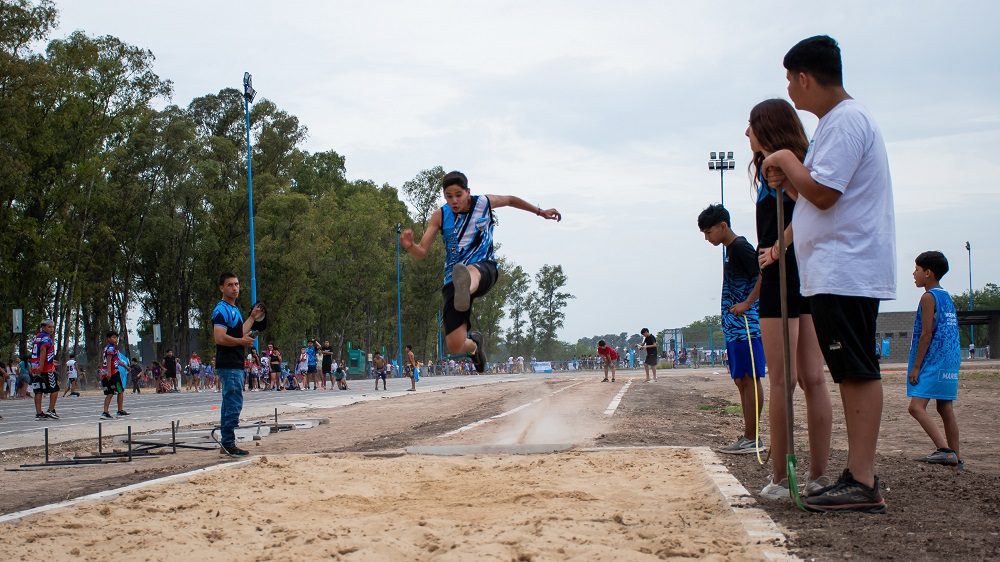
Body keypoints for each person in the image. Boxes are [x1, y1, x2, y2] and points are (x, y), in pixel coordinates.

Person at [762, 35, 895, 513]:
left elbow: (822, 194)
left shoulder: (845, 122)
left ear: (803, 77)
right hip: (836, 269)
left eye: (789, 81)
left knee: (856, 371)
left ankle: (862, 480)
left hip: (847, 268)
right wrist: (789, 176)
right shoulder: (835, 126)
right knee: (849, 370)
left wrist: (785, 161)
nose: (791, 94)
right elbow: (813, 194)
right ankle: (857, 475)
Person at [746, 98, 833, 499]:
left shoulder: (781, 169)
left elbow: (809, 209)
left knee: (784, 380)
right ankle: (816, 475)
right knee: (811, 378)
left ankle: (782, 478)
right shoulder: (791, 164)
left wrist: (778, 248)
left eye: (751, 127)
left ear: (767, 128)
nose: (746, 134)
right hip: (810, 274)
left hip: (789, 277)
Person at [401, 170, 561, 373]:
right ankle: (475, 347)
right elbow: (422, 251)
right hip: (452, 280)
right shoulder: (441, 215)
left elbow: (510, 200)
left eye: (458, 195)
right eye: (449, 196)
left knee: (469, 271)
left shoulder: (483, 203)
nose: (454, 201)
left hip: (484, 268)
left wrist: (540, 212)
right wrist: (409, 246)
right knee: (454, 344)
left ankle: (465, 285)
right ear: (444, 196)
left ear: (468, 191)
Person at [697, 204, 766, 456]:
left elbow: (764, 273)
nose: (707, 237)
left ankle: (753, 437)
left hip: (747, 326)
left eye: (708, 232)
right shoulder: (730, 251)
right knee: (740, 381)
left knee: (749, 379)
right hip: (734, 328)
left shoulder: (740, 248)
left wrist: (747, 303)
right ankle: (748, 435)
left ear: (723, 226)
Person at [906, 251, 962, 468]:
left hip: (934, 361)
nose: (914, 274)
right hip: (950, 360)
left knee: (915, 407)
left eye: (917, 270)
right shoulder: (946, 296)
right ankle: (956, 456)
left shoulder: (928, 297)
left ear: (928, 273)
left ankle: (944, 451)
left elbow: (926, 334)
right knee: (945, 408)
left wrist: (917, 367)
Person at [213, 272, 265, 457]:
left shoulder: (234, 310)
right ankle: (228, 443)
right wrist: (241, 342)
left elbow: (238, 331)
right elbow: (219, 338)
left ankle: (226, 443)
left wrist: (252, 318)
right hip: (228, 363)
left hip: (235, 362)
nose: (235, 288)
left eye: (236, 284)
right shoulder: (221, 309)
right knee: (234, 402)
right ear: (222, 287)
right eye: (230, 285)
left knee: (229, 403)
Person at [29, 319, 60, 420]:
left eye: (52, 327)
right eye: (49, 327)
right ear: (43, 327)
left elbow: (40, 353)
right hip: (45, 369)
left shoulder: (37, 336)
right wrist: (42, 365)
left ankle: (39, 413)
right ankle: (51, 410)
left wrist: (50, 361)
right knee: (55, 389)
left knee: (38, 390)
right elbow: (43, 350)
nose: (51, 329)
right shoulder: (46, 338)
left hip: (35, 367)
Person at [100, 331, 129, 419]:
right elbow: (109, 360)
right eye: (113, 337)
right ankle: (119, 410)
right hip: (112, 373)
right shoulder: (111, 348)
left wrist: (125, 366)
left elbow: (116, 361)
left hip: (106, 373)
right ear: (108, 339)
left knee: (110, 392)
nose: (116, 339)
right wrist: (109, 372)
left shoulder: (108, 348)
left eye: (116, 338)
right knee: (120, 391)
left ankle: (105, 412)